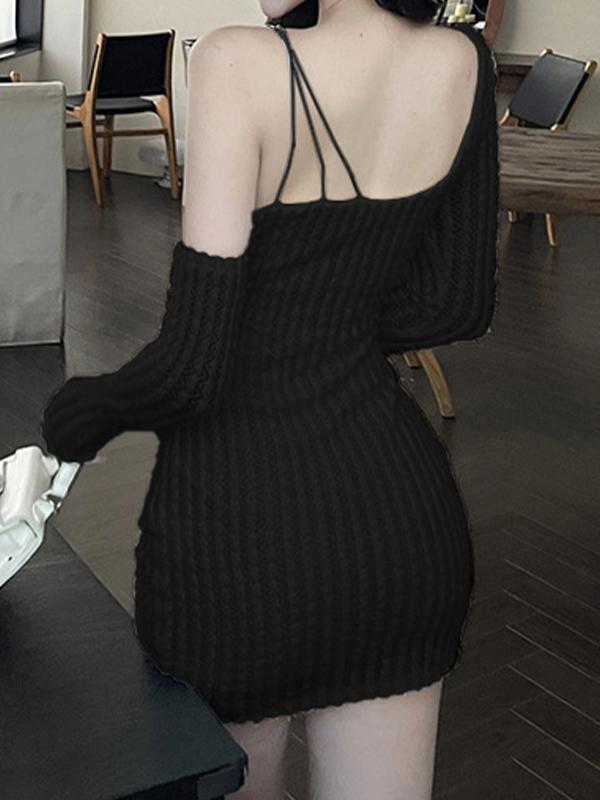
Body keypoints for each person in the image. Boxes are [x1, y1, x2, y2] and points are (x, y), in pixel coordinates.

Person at [40, 0, 499, 797]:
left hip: (242, 548)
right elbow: (455, 305)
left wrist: (79, 413)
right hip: (401, 533)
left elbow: (192, 368)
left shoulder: (236, 60)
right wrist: (321, 324)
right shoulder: (464, 60)